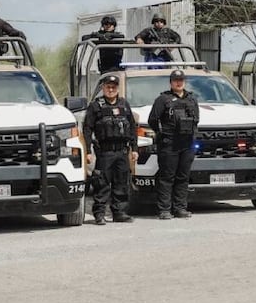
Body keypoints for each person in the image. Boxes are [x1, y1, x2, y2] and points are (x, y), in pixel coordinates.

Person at [82, 74, 138, 224]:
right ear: (103, 88)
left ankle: (119, 212)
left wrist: (134, 149)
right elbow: (87, 129)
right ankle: (99, 214)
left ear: (118, 88)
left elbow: (132, 127)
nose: (111, 89)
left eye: (114, 87)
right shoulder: (96, 106)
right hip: (104, 152)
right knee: (102, 184)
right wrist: (87, 151)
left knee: (121, 183)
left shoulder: (124, 105)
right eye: (108, 87)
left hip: (122, 151)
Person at [147, 69, 200, 219]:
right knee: (167, 177)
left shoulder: (192, 99)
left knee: (183, 176)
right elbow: (153, 120)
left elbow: (196, 120)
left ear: (184, 82)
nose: (178, 82)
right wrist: (161, 133)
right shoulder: (163, 99)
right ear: (171, 82)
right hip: (169, 143)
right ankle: (164, 209)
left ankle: (180, 208)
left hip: (187, 143)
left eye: (181, 80)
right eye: (176, 80)